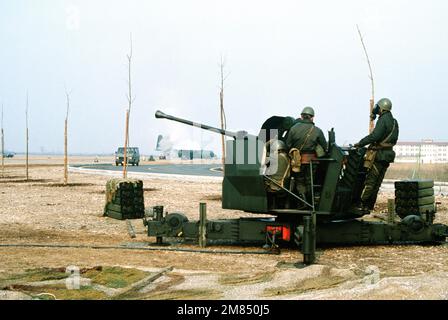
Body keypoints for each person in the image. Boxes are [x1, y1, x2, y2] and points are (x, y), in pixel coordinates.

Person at [354, 98, 399, 211]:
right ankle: (369, 206)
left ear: (382, 109)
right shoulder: (394, 121)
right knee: (377, 183)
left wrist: (360, 143)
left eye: (378, 107)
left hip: (379, 155)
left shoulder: (383, 120)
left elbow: (375, 136)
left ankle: (361, 204)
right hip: (388, 155)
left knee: (370, 182)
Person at [285, 106, 328, 206]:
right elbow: (325, 147)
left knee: (299, 181)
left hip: (297, 161)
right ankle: (310, 203)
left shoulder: (293, 129)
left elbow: (288, 145)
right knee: (310, 181)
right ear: (312, 117)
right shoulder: (317, 130)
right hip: (311, 161)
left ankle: (303, 201)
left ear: (301, 116)